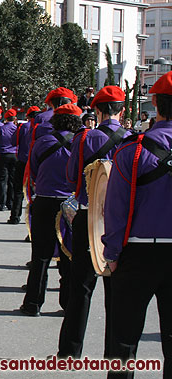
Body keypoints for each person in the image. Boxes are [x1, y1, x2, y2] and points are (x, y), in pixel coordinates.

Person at [103, 71, 172, 378]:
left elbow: (114, 210)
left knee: (122, 343)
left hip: (136, 253)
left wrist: (112, 254)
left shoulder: (132, 150)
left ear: (155, 103)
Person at [58, 85, 129, 359]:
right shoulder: (133, 138)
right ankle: (115, 356)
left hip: (88, 217)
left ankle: (69, 353)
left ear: (97, 110)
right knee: (117, 293)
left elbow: (71, 176)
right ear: (122, 111)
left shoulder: (85, 137)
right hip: (121, 221)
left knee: (81, 288)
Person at [20, 103, 81, 317]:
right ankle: (68, 303)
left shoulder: (42, 141)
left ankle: (33, 304)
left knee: (40, 256)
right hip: (70, 203)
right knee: (69, 256)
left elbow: (33, 173)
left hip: (45, 201)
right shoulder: (80, 143)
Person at [9, 106, 40, 225]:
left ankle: (15, 216)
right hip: (36, 163)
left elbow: (13, 142)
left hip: (23, 162)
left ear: (28, 116)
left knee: (18, 191)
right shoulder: (45, 127)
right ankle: (33, 222)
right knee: (36, 193)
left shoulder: (23, 127)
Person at [0, 109, 17, 211]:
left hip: (3, 154)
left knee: (2, 180)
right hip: (14, 155)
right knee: (12, 180)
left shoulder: (1, 129)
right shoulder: (16, 128)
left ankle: (1, 203)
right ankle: (10, 203)